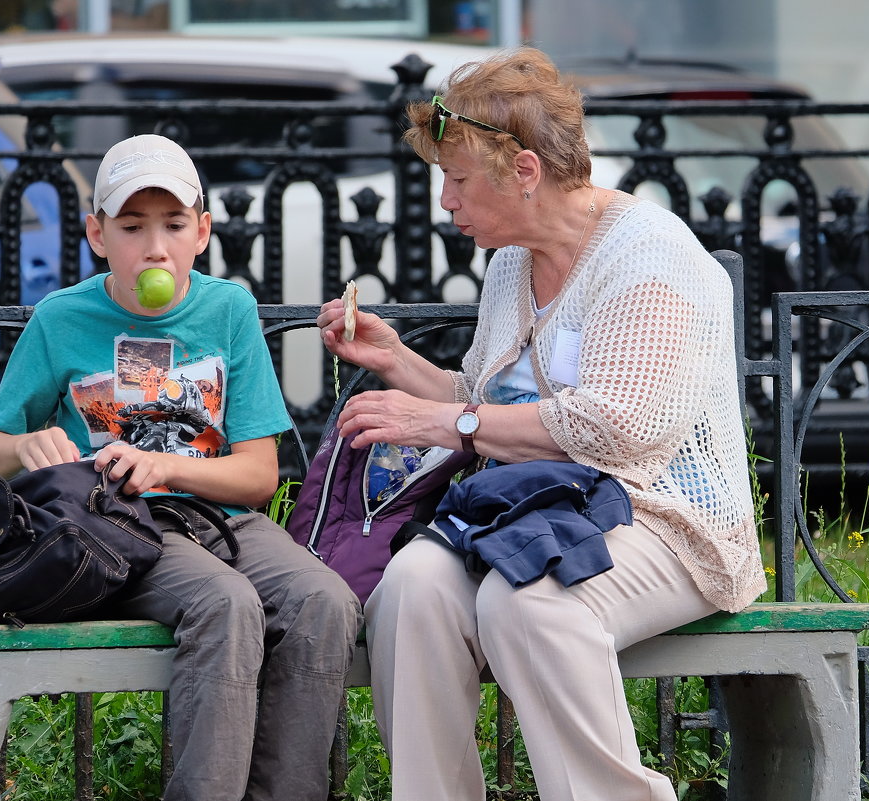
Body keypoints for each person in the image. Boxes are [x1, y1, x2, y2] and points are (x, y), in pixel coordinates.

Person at [315, 48, 765, 801]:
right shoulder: (511, 263)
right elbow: (486, 402)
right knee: (414, 585)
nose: (445, 200)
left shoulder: (650, 259)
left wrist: (447, 419)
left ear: (523, 171)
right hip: (533, 513)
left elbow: (618, 430)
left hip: (663, 515)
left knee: (528, 600)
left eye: (457, 179)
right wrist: (396, 362)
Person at [0, 133, 362, 801]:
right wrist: (26, 444)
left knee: (324, 599)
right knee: (224, 604)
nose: (155, 247)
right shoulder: (61, 318)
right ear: (96, 234)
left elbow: (258, 476)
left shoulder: (227, 310)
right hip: (119, 530)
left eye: (174, 224)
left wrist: (164, 466)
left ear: (201, 231)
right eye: (131, 226)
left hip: (226, 520)